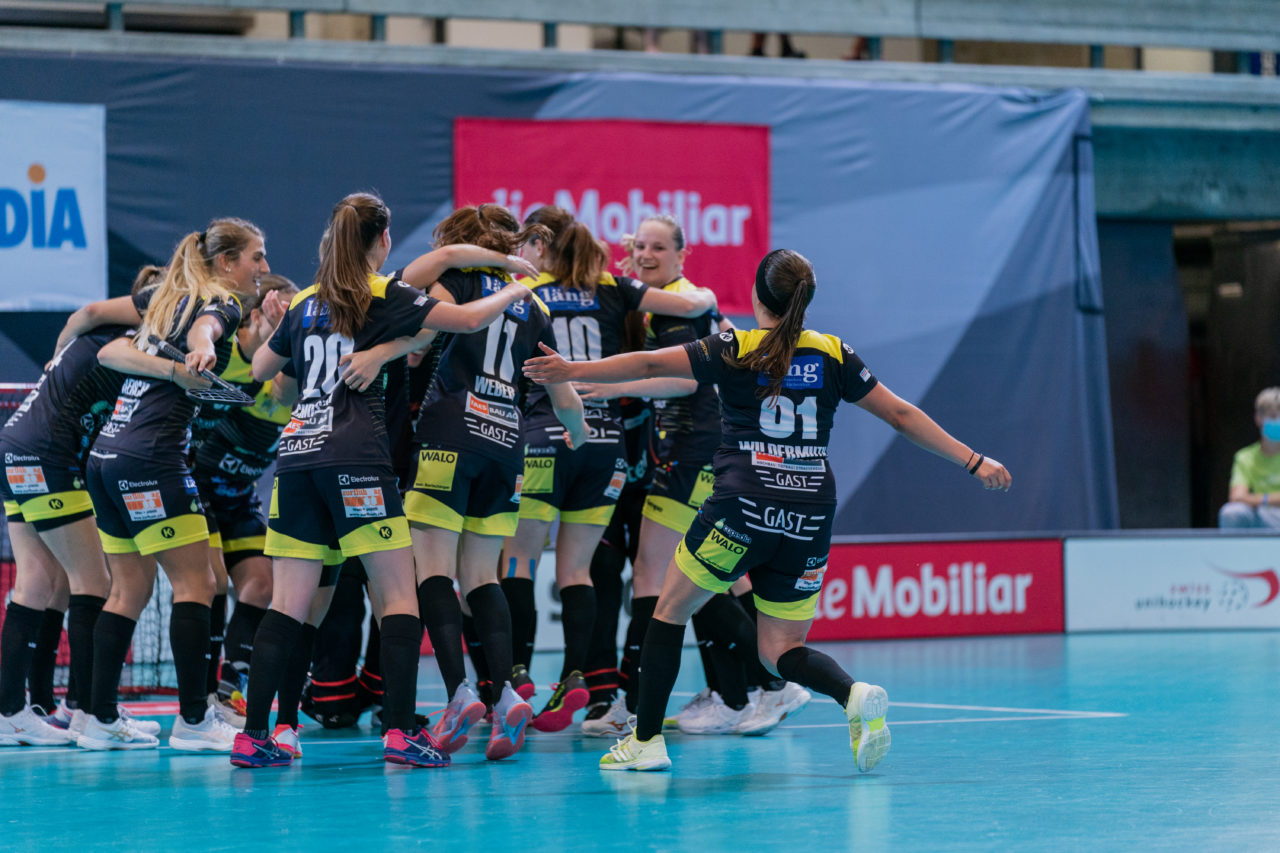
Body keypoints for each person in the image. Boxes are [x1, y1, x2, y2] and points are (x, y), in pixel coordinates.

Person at [524, 248, 1012, 772]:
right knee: (780, 649)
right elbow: (898, 413)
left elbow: (647, 363)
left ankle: (643, 742)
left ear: (758, 297)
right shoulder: (833, 353)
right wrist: (973, 459)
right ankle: (853, 695)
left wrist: (572, 368)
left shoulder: (737, 346)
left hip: (742, 507)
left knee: (668, 612)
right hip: (810, 516)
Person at [232, 191, 536, 769]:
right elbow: (469, 319)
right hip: (359, 461)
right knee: (398, 597)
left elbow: (261, 371)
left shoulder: (304, 300)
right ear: (383, 242)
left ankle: (253, 737)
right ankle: (400, 733)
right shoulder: (383, 292)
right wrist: (524, 286)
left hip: (296, 460)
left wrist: (288, 332)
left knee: (288, 605)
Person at [349, 203, 587, 760]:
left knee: (432, 569)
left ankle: (460, 692)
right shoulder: (532, 305)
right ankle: (504, 693)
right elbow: (561, 390)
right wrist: (574, 429)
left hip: (448, 434)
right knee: (483, 574)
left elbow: (416, 331)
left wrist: (382, 352)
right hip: (508, 446)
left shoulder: (453, 282)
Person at [499, 205, 719, 733]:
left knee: (520, 560)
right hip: (608, 448)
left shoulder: (525, 291)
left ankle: (514, 676)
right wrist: (709, 298)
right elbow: (692, 302)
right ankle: (577, 677)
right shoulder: (613, 288)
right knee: (577, 570)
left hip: (546, 436)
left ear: (542, 247)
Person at [0, 266, 206, 746]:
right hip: (49, 453)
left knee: (39, 581)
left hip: (17, 445)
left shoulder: (107, 342)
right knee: (91, 582)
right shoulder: (127, 339)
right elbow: (90, 311)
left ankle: (28, 707)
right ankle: (87, 711)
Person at [80, 219, 263, 751]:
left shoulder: (166, 298)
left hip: (106, 458)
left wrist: (175, 368)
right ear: (227, 263)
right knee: (199, 585)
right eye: (257, 256)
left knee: (130, 588)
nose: (263, 267)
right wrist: (198, 355)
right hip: (151, 459)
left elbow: (109, 350)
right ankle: (194, 721)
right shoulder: (219, 301)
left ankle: (99, 719)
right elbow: (210, 325)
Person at [190, 274, 298, 719]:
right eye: (282, 318)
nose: (290, 327)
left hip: (239, 497)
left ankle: (229, 686)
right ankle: (197, 690)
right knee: (211, 583)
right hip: (199, 491)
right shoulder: (233, 366)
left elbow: (281, 388)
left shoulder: (288, 378)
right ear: (258, 315)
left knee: (260, 585)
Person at [1219, 387, 1280, 529]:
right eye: (1272, 416)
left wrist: (1255, 499)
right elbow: (1237, 497)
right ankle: (1235, 551)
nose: (1278, 421)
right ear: (1259, 419)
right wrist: (1267, 500)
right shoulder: (1244, 457)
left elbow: (1245, 497)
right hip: (1260, 514)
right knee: (1232, 512)